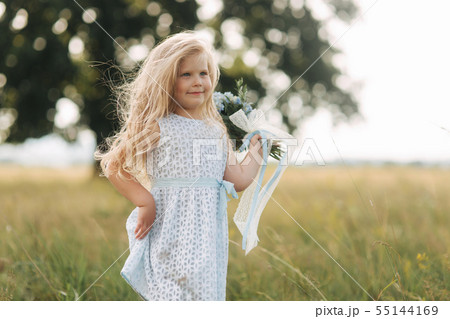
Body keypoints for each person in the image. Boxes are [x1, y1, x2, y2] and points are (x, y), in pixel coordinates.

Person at [95, 31, 263, 300]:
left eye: (204, 73)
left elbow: (238, 179)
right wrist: (144, 202)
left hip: (207, 242)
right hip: (169, 236)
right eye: (186, 75)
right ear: (166, 80)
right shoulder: (159, 126)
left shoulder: (217, 130)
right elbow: (114, 164)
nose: (198, 82)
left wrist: (256, 150)